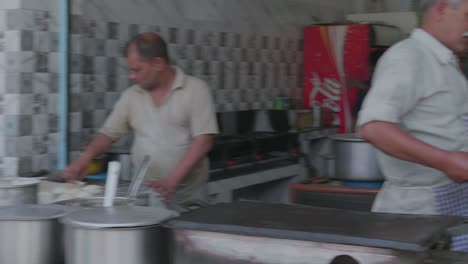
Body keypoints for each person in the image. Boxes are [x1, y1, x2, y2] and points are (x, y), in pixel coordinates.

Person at [63, 32, 219, 205]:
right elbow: (108, 134)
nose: (131, 76)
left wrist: (172, 180)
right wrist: (85, 158)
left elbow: (204, 141)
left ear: (158, 63)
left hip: (188, 197)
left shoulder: (195, 90)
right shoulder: (131, 96)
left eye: (136, 70)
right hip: (145, 195)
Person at [347, 49, 386, 129]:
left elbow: (384, 96)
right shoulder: (365, 85)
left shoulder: (393, 83)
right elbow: (356, 114)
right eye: (370, 70)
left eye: (372, 70)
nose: (370, 73)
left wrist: (361, 86)